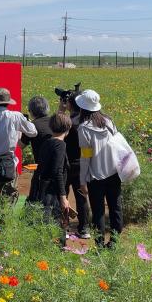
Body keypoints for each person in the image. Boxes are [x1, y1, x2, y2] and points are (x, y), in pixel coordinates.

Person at [76, 89, 123, 248]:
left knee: (98, 212)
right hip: (114, 173)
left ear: (83, 108)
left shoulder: (84, 129)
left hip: (96, 177)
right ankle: (115, 242)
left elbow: (86, 157)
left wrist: (82, 180)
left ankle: (99, 245)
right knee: (115, 208)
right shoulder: (109, 122)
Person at [0, 87, 37, 207]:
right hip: (8, 166)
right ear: (8, 102)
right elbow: (33, 132)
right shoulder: (15, 116)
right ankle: (4, 226)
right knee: (7, 205)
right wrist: (25, 121)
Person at [56, 85, 91, 239]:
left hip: (65, 164)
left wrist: (61, 110)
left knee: (62, 196)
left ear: (70, 104)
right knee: (81, 197)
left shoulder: (67, 123)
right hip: (81, 164)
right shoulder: (86, 122)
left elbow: (55, 129)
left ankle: (64, 228)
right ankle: (84, 229)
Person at [33, 113, 73, 239]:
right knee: (55, 223)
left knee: (43, 222)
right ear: (68, 128)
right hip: (52, 191)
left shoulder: (47, 142)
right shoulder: (60, 145)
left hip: (42, 188)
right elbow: (58, 172)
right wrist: (63, 197)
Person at [20, 95, 52, 202]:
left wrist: (22, 129)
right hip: (59, 165)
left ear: (32, 111)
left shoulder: (32, 125)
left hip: (41, 167)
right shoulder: (54, 121)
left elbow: (21, 146)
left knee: (36, 196)